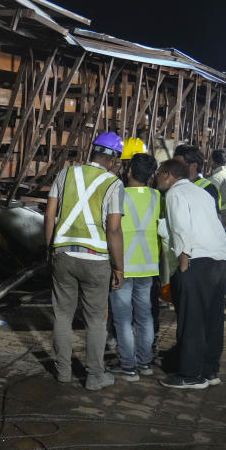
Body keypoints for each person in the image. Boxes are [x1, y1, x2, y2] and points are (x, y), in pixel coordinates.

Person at [44, 132, 125, 391]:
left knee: (62, 315)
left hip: (63, 254)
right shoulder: (114, 184)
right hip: (96, 260)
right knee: (95, 321)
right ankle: (94, 376)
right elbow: (113, 229)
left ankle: (64, 372)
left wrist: (49, 249)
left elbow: (49, 214)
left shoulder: (65, 173)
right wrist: (119, 267)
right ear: (113, 159)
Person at [154, 159, 226, 389]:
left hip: (196, 260)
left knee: (192, 320)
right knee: (212, 320)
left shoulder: (175, 195)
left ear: (168, 175)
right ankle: (209, 371)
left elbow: (181, 228)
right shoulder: (201, 193)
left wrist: (183, 261)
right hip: (219, 260)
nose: (155, 178)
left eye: (158, 173)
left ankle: (190, 375)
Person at [108, 153, 159, 381]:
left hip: (122, 265)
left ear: (129, 172)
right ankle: (145, 362)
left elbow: (111, 229)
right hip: (148, 266)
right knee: (145, 316)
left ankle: (128, 366)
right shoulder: (157, 196)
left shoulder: (117, 195)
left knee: (122, 318)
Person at [208, 148, 226, 293]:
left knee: (222, 255)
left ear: (213, 161)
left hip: (217, 221)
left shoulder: (215, 179)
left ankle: (224, 287)